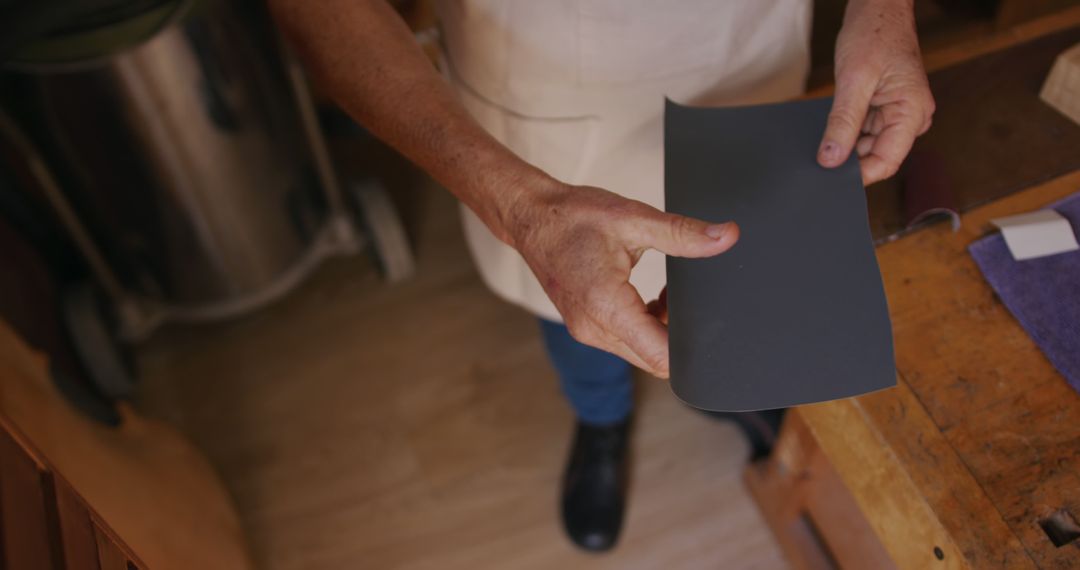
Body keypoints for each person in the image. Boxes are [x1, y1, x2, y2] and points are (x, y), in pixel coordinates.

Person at [271, 0, 935, 552]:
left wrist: (886, 9)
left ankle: (723, 385)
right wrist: (522, 208)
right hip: (552, 81)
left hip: (752, 50)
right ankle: (601, 417)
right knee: (570, 296)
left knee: (736, 265)